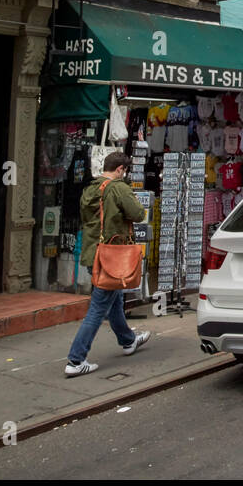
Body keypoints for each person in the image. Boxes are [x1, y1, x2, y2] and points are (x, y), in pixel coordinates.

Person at [65, 152, 150, 377]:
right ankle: (76, 359)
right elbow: (138, 213)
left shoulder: (90, 188)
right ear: (120, 169)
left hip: (93, 253)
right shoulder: (118, 188)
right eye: (125, 171)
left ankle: (128, 340)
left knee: (115, 300)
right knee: (98, 308)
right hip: (111, 256)